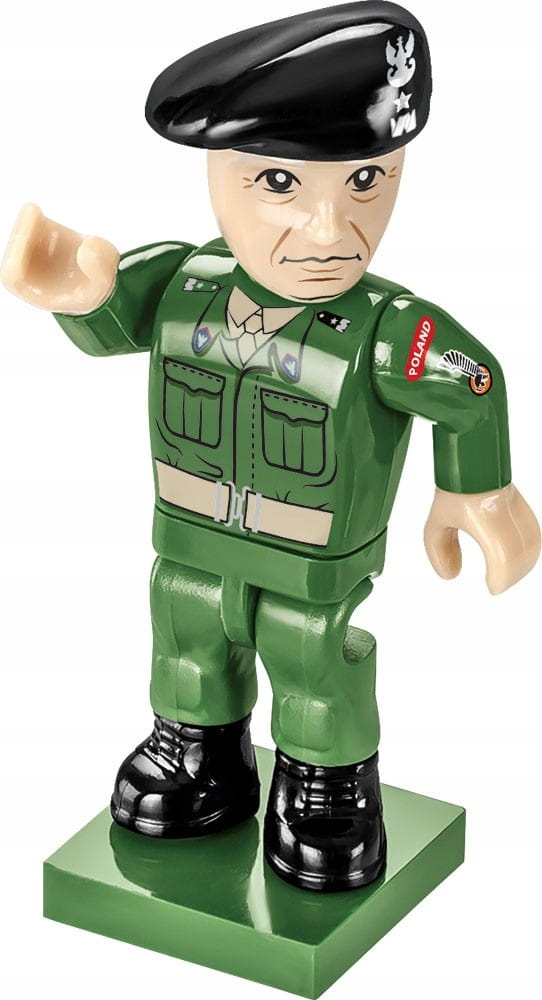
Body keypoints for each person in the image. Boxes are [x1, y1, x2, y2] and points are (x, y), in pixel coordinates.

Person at [1, 1, 539, 892]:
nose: (329, 230)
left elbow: (470, 381)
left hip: (309, 564)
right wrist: (77, 291)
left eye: (365, 182)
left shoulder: (384, 331)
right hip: (192, 541)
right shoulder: (184, 283)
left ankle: (325, 782)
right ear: (218, 174)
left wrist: (477, 488)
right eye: (281, 184)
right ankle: (197, 749)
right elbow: (109, 310)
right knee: (185, 633)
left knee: (310, 659)